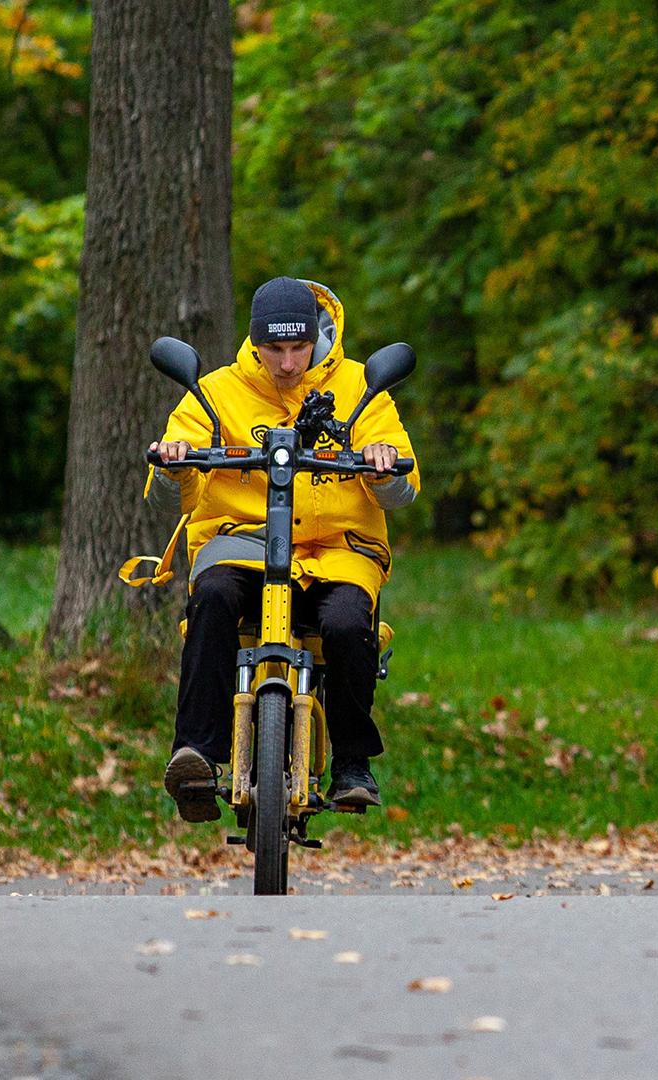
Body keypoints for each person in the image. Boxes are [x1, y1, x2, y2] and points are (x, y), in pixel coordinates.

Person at [146, 276, 419, 822]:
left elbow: (406, 491)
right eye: (275, 349)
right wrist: (177, 461)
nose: (289, 363)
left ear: (317, 335)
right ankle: (196, 755)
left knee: (346, 625)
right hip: (240, 544)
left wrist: (382, 463)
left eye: (299, 348)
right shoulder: (216, 392)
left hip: (339, 552)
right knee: (214, 596)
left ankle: (352, 763)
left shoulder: (361, 388)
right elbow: (166, 497)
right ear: (256, 342)